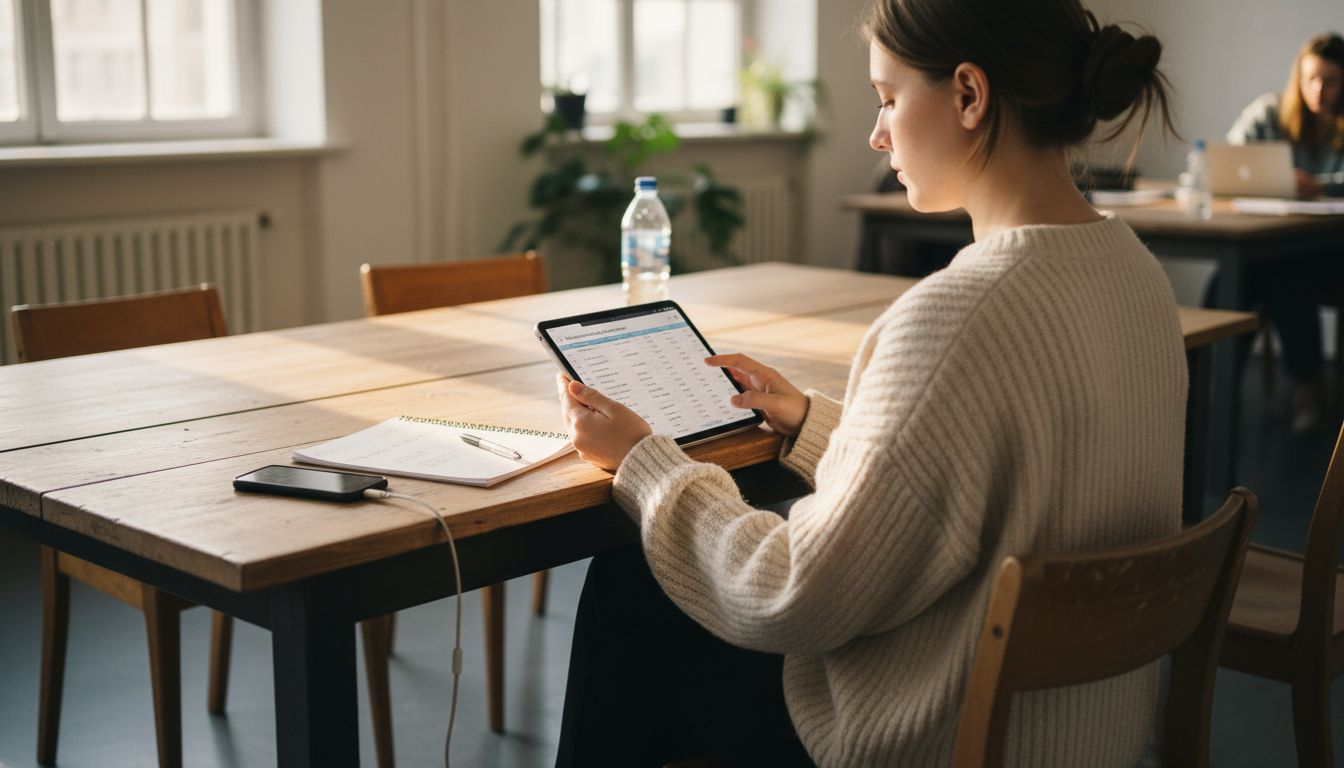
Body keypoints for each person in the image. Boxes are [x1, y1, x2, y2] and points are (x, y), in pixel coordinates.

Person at [553, 0, 1184, 765]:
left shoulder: (955, 316)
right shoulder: (1140, 278)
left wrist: (650, 464)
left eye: (888, 98)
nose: (877, 134)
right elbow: (994, 488)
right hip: (1082, 735)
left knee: (634, 580)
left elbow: (793, 595)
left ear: (968, 96)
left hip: (945, 741)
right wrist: (820, 428)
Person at [1225, 33, 1344, 432]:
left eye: (1331, 81)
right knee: (1236, 276)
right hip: (1271, 248)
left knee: (1282, 271)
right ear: (1298, 76)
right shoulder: (1270, 114)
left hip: (1328, 251)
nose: (1319, 90)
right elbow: (1228, 165)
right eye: (1312, 78)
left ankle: (1215, 388)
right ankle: (1211, 381)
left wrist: (1321, 184)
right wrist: (1277, 180)